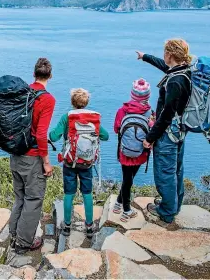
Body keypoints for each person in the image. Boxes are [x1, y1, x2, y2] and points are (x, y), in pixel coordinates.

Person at [136, 39, 192, 224]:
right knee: (176, 169)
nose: (163, 56)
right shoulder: (184, 71)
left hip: (168, 133)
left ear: (170, 54)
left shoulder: (175, 81)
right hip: (180, 130)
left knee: (165, 172)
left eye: (164, 52)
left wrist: (150, 138)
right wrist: (145, 57)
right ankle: (174, 204)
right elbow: (164, 66)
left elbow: (166, 115)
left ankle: (167, 211)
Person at [10, 58, 56, 254]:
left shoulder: (21, 93)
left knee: (20, 197)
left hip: (15, 153)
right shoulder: (47, 99)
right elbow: (41, 134)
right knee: (34, 199)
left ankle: (14, 234)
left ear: (34, 74)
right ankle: (23, 243)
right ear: (50, 76)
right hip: (32, 157)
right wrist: (46, 162)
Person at [49, 88, 109, 238]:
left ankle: (67, 226)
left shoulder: (66, 118)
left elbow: (54, 136)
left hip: (69, 162)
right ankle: (89, 226)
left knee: (69, 193)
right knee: (87, 193)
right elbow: (106, 136)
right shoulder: (93, 119)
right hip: (87, 163)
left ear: (72, 102)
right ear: (86, 102)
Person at [113, 78, 154, 222]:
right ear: (147, 97)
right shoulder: (150, 113)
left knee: (127, 180)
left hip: (124, 152)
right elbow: (152, 132)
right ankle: (126, 211)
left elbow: (116, 129)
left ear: (132, 94)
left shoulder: (122, 110)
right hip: (141, 152)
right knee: (128, 180)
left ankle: (118, 203)